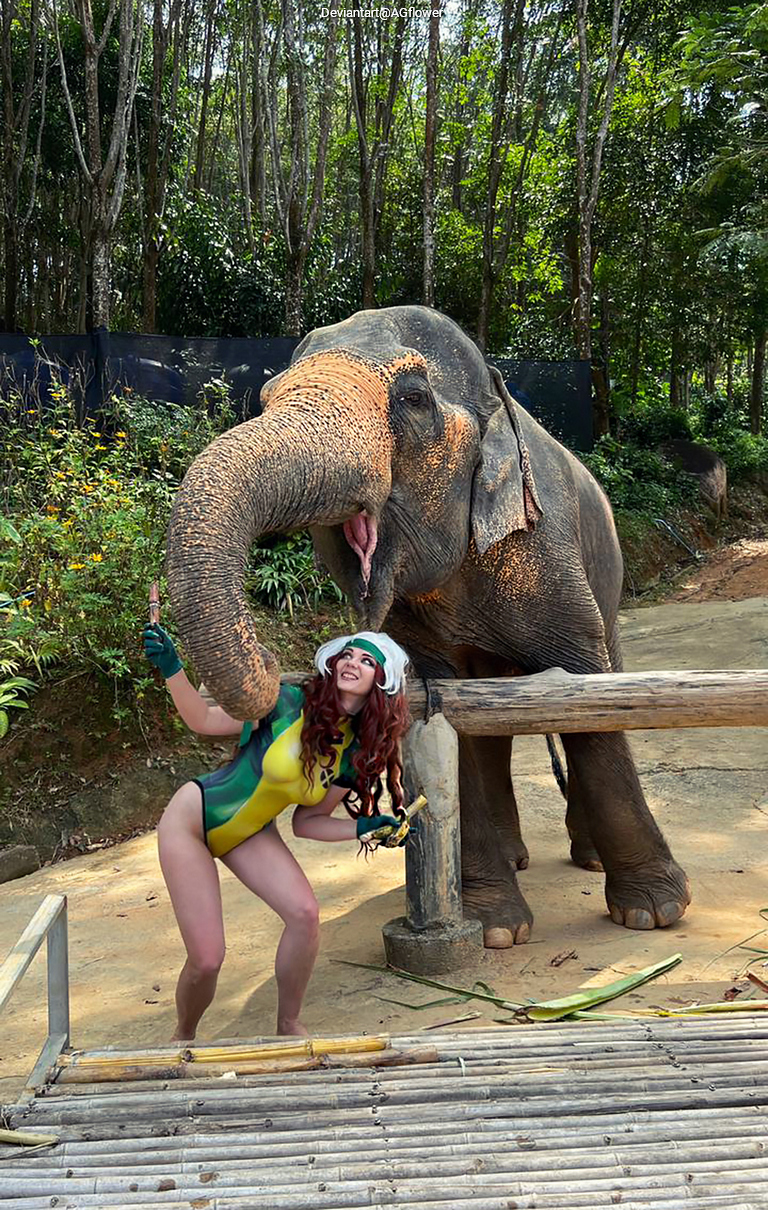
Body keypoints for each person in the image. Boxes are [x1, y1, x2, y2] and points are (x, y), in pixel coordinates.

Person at [143, 623, 411, 1042]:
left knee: (305, 915)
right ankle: (184, 1037)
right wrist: (172, 667)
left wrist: (364, 826)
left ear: (382, 680)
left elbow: (307, 823)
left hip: (250, 834)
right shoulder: (286, 702)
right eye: (348, 654)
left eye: (366, 661)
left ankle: (288, 1024)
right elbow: (203, 720)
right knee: (208, 959)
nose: (352, 663)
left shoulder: (354, 750)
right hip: (193, 821)